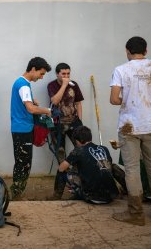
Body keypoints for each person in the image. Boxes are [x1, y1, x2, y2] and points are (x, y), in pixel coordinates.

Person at [110, 36, 151, 226]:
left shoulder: (121, 70)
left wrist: (132, 101)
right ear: (146, 51)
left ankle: (136, 214)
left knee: (132, 169)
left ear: (127, 51)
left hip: (129, 126)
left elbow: (114, 99)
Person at [10, 57, 52, 200]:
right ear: (33, 69)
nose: (41, 77)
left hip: (21, 128)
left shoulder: (22, 83)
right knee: (23, 164)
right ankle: (16, 195)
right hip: (22, 130)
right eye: (41, 74)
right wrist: (47, 110)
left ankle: (17, 192)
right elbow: (31, 109)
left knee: (22, 162)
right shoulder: (23, 85)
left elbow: (27, 104)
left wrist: (32, 101)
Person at [47, 62, 84, 200]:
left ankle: (81, 188)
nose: (66, 76)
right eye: (63, 74)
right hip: (57, 124)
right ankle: (58, 194)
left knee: (82, 152)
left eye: (68, 74)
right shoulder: (51, 85)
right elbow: (55, 101)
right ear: (57, 74)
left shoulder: (74, 85)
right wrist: (63, 85)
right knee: (61, 158)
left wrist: (80, 122)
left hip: (74, 123)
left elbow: (79, 103)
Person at [58, 126, 119, 204]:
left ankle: (57, 196)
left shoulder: (78, 150)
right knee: (113, 167)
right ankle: (126, 192)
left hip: (92, 197)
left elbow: (61, 168)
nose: (76, 143)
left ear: (80, 140)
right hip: (110, 196)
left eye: (76, 141)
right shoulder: (104, 148)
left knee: (63, 172)